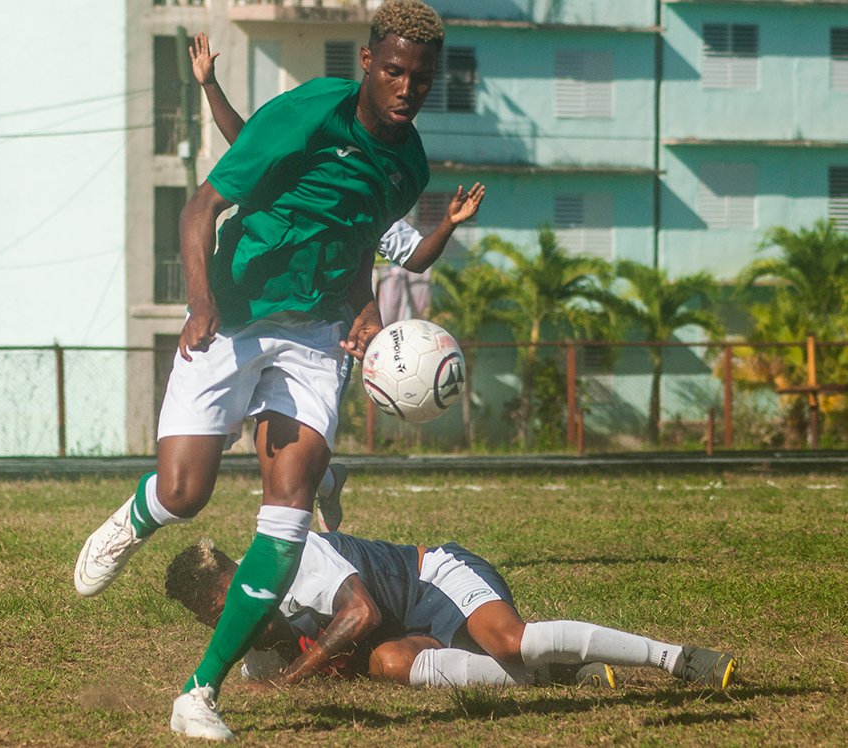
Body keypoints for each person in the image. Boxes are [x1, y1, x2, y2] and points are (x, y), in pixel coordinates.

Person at [73, 0, 447, 740]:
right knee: (185, 494)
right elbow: (200, 207)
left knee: (287, 514)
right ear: (368, 62)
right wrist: (201, 301)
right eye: (395, 71)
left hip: (312, 339)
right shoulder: (307, 114)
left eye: (422, 79)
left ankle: (198, 692)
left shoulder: (408, 168)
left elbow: (353, 247)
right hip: (233, 316)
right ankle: (134, 519)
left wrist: (363, 312)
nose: (407, 89)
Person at [189, 30, 485, 534]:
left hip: (323, 315)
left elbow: (413, 260)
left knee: (281, 444)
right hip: (257, 302)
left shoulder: (378, 207)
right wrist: (211, 86)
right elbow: (245, 142)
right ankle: (326, 482)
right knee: (255, 447)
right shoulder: (307, 162)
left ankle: (310, 504)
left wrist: (448, 224)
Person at [166, 532, 737, 692]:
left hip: (431, 579)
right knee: (389, 666)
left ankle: (677, 658)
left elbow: (360, 615)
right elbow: (365, 646)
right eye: (218, 619)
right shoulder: (251, 656)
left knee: (510, 641)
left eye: (231, 598)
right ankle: (561, 673)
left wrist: (293, 678)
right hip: (406, 631)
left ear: (239, 573)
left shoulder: (293, 558)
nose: (237, 615)